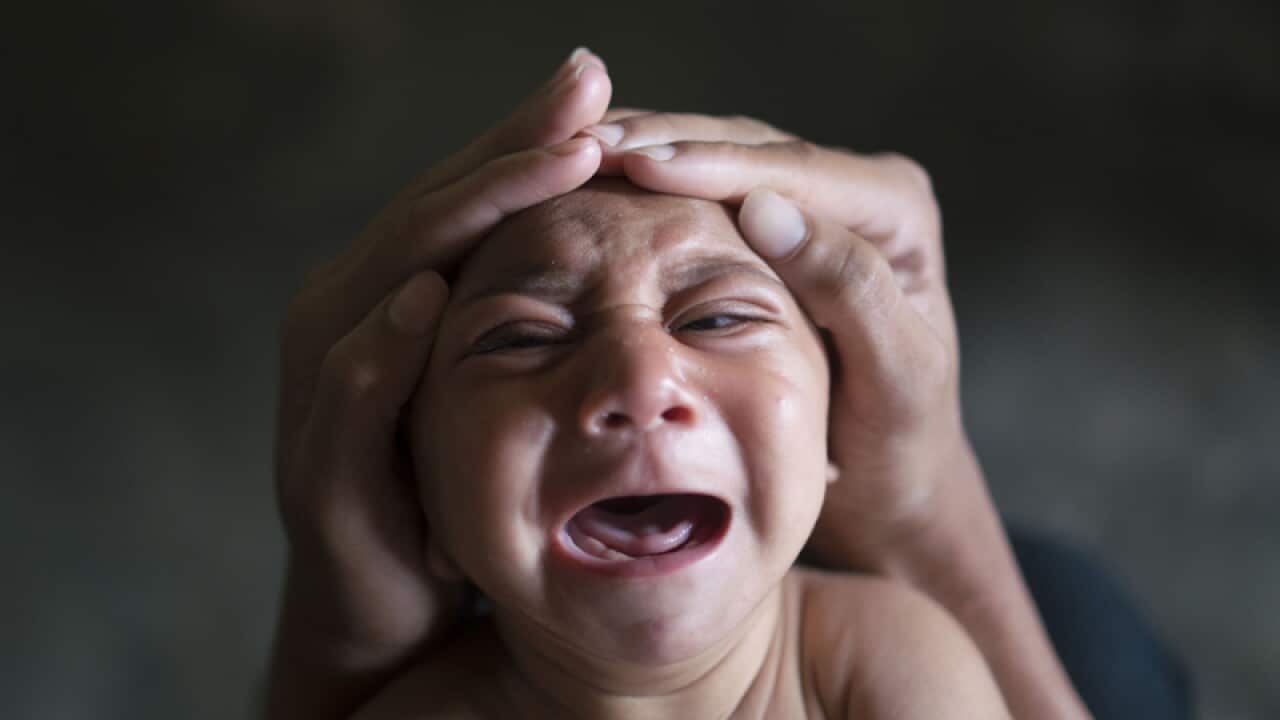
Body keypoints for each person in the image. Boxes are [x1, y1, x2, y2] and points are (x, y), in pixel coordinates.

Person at [266, 47, 1157, 718]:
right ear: (415, 502)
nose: (638, 382)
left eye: (718, 319)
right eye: (521, 338)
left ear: (836, 432)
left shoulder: (882, 661)